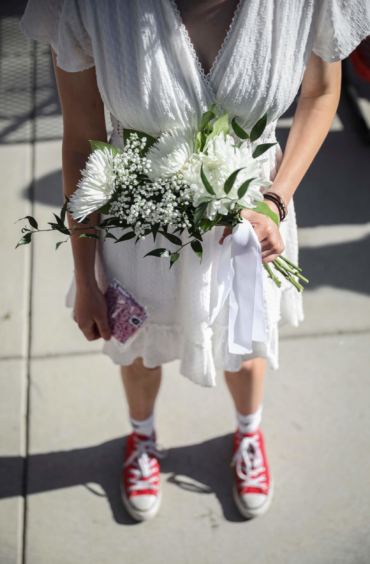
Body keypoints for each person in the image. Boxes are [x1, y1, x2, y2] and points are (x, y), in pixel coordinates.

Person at [20, 0, 370, 522]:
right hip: (141, 233)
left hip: (252, 222)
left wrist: (276, 199)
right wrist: (85, 276)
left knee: (246, 339)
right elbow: (81, 142)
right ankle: (142, 440)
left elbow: (321, 92)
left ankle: (248, 433)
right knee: (138, 350)